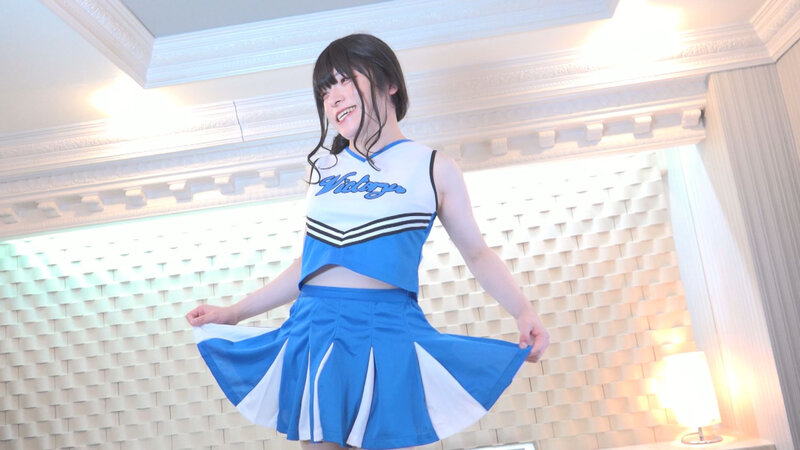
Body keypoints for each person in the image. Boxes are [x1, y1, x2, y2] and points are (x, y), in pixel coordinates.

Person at [186, 33, 549, 450]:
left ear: (389, 82)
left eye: (345, 80)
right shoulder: (323, 171)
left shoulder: (435, 168)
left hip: (388, 330)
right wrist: (234, 312)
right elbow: (308, 265)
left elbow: (478, 253)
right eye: (325, 90)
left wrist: (523, 310)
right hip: (315, 328)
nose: (334, 97)